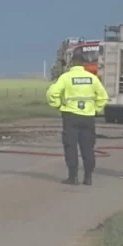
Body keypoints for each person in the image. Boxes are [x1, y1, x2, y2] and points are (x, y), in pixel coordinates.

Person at [46, 50, 109, 185]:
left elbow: (52, 92)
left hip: (70, 116)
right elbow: (103, 96)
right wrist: (96, 109)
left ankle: (73, 177)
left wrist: (58, 106)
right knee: (88, 147)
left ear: (71, 63)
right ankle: (88, 177)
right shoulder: (92, 78)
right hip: (88, 117)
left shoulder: (66, 77)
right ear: (84, 64)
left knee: (71, 146)